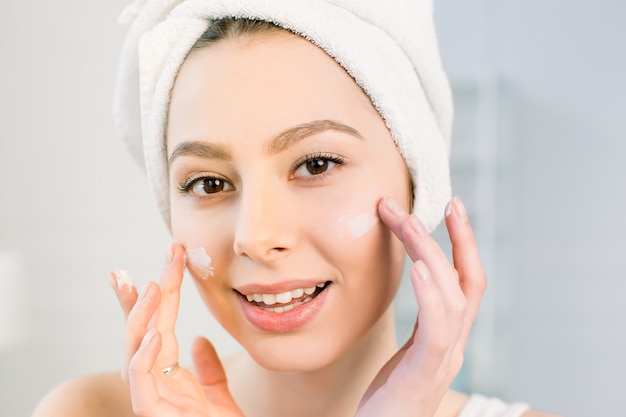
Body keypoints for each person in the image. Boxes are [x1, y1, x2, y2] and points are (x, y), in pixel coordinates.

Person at [34, 1, 561, 416]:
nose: (256, 236)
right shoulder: (89, 412)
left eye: (315, 165)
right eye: (209, 181)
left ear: (415, 179)